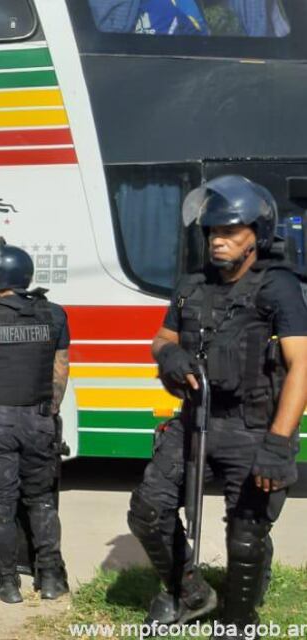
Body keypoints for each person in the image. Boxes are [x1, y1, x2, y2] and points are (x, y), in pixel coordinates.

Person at [130, 175, 307, 639]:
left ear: (256, 235)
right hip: (195, 422)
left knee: (245, 537)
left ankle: (239, 621)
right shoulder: (191, 285)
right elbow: (162, 338)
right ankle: (189, 592)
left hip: (253, 427)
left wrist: (278, 443)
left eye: (230, 231)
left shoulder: (279, 287)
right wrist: (169, 354)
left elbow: (302, 365)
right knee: (147, 511)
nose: (217, 240)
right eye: (212, 231)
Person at [0, 239, 71, 604]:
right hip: (39, 420)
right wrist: (48, 411)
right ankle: (50, 577)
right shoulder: (55, 314)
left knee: (0, 505)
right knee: (41, 501)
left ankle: (6, 583)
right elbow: (61, 369)